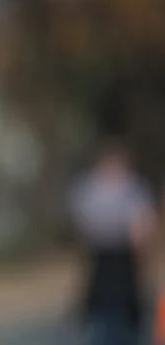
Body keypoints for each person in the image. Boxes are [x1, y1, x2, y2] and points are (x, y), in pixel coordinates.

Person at [69, 141, 158, 345]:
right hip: (110, 264)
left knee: (111, 322)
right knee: (115, 324)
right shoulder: (132, 189)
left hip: (113, 263)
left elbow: (81, 227)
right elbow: (142, 231)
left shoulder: (91, 190)